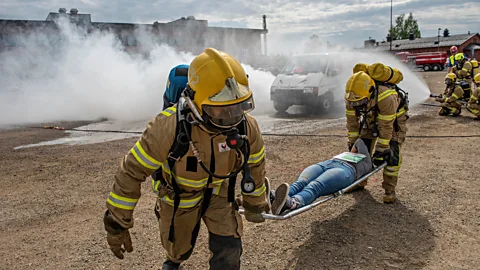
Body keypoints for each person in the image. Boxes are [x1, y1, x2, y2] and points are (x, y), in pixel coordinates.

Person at [103, 48, 268, 270]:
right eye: (221, 111)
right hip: (179, 197)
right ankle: (173, 263)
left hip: (219, 193)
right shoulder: (167, 127)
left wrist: (255, 204)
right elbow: (131, 172)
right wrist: (117, 224)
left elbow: (255, 165)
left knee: (229, 247)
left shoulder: (247, 126)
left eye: (238, 108)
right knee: (178, 251)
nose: (231, 118)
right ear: (195, 104)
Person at [345, 70, 408, 203]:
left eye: (360, 102)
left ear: (371, 92)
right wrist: (353, 142)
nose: (356, 106)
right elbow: (352, 123)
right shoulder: (352, 97)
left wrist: (382, 148)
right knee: (360, 152)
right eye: (354, 103)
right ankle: (359, 183)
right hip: (371, 117)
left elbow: (386, 126)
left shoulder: (386, 97)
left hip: (394, 121)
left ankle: (389, 190)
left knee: (392, 155)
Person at [271, 139, 373, 214]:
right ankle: (276, 198)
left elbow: (359, 141)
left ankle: (293, 203)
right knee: (300, 183)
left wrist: (356, 150)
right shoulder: (349, 155)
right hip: (328, 163)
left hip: (346, 170)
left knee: (315, 186)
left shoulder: (367, 162)